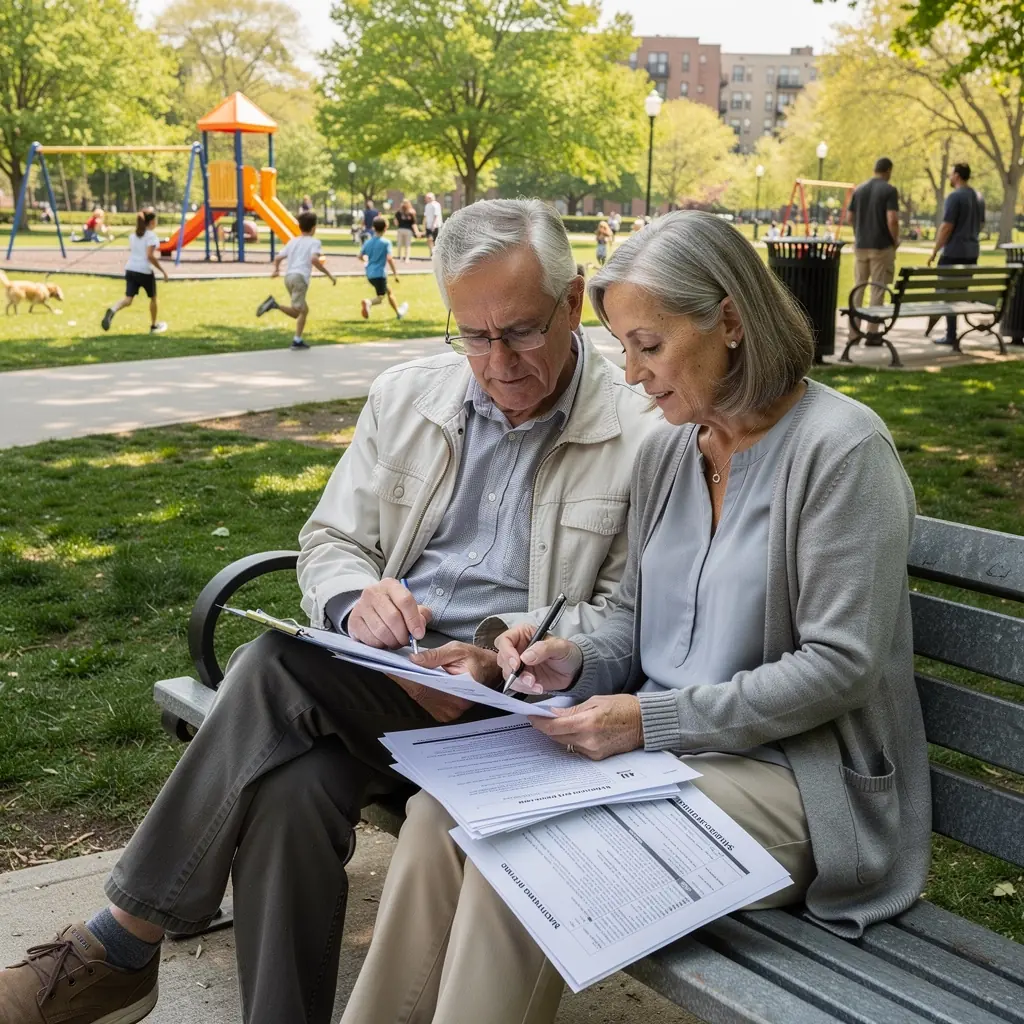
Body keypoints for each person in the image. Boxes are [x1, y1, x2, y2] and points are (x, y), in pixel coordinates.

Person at [0, 198, 656, 1024]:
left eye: (521, 331)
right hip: (374, 685)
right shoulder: (409, 395)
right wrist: (355, 605)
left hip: (511, 712)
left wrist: (496, 654)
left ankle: (120, 943)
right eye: (473, 335)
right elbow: (331, 540)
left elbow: (628, 616)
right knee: (292, 788)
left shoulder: (643, 429)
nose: (497, 362)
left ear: (572, 302)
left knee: (273, 666)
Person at [344, 210, 932, 1024]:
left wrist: (648, 721)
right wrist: (571, 657)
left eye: (647, 345)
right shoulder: (668, 449)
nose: (628, 374)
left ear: (729, 321)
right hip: (665, 761)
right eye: (621, 345)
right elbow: (632, 615)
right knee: (439, 811)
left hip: (799, 786)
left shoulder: (841, 450)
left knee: (531, 858)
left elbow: (840, 666)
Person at [256, 211, 336, 350]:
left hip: (289, 277)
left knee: (304, 310)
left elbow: (278, 258)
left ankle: (297, 340)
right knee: (296, 312)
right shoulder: (314, 242)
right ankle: (273, 305)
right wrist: (329, 275)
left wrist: (276, 270)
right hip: (300, 278)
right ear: (314, 228)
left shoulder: (293, 241)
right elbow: (314, 259)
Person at [926, 162, 985, 346]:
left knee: (947, 293)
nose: (950, 177)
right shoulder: (978, 197)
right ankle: (950, 332)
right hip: (971, 252)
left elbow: (946, 227)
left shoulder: (955, 197)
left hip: (953, 252)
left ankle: (951, 334)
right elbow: (981, 224)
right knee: (959, 292)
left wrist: (935, 251)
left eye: (951, 174)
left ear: (957, 175)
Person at [846, 157, 900, 347]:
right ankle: (872, 333)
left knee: (858, 288)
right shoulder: (889, 190)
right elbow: (892, 219)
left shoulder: (859, 189)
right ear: (888, 171)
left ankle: (853, 334)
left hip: (861, 246)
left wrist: (858, 233)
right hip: (881, 246)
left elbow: (849, 216)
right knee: (878, 288)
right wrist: (895, 240)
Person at [100, 208, 169, 334]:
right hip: (145, 271)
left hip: (131, 269)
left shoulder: (133, 236)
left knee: (128, 299)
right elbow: (150, 256)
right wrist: (163, 271)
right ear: (152, 222)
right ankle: (153, 326)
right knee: (153, 298)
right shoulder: (152, 236)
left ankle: (113, 309)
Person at [359, 215, 407, 320]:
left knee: (389, 291)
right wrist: (395, 274)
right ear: (385, 228)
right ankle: (368, 302)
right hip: (380, 274)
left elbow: (360, 256)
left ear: (373, 228)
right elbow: (389, 259)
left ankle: (398, 313)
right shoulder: (386, 242)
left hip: (370, 273)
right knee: (380, 298)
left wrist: (367, 261)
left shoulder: (368, 242)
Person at [394, 199, 420, 263]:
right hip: (405, 230)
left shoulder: (401, 212)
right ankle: (406, 258)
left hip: (402, 230)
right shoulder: (409, 212)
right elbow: (414, 223)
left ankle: (401, 258)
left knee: (401, 244)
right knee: (406, 245)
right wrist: (417, 232)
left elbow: (396, 223)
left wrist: (417, 232)